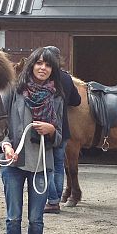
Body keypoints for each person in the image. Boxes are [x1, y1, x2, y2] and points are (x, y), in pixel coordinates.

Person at [0, 46, 64, 234]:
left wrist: (52, 130)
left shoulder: (56, 97)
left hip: (41, 165)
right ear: (31, 65)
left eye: (48, 65)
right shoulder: (14, 92)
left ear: (52, 69)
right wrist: (6, 147)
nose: (43, 68)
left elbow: (60, 138)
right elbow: (1, 128)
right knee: (13, 218)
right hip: (14, 163)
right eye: (39, 63)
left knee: (36, 220)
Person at [43, 47, 81, 214]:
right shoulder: (66, 78)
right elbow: (77, 101)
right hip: (63, 129)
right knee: (59, 165)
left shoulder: (44, 78)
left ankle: (52, 201)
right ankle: (56, 199)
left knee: (47, 167)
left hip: (45, 129)